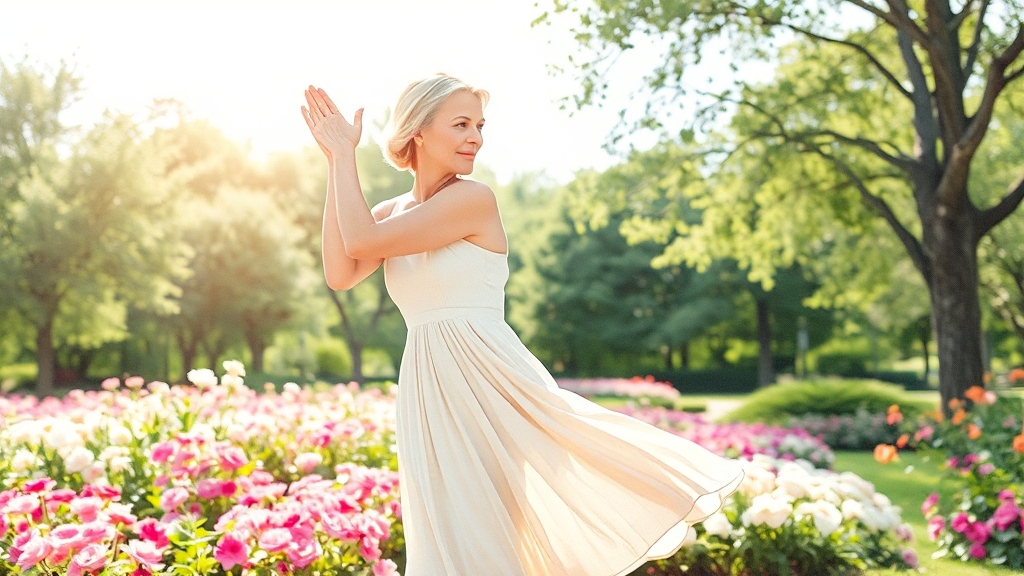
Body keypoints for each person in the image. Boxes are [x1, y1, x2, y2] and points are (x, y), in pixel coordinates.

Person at [301, 74, 745, 576]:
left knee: (490, 535)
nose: (476, 137)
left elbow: (359, 240)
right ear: (418, 131)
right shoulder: (389, 213)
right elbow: (341, 272)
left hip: (491, 379)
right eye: (462, 124)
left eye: (480, 125)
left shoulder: (472, 199)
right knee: (443, 527)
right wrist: (333, 164)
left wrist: (344, 158)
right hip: (428, 385)